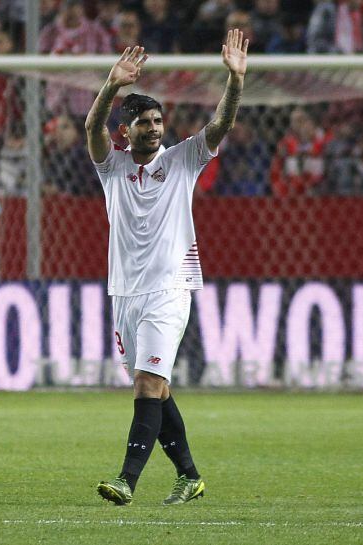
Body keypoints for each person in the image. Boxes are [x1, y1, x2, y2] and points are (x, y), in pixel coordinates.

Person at [86, 33, 247, 505]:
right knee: (156, 389)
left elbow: (222, 122)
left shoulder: (182, 160)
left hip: (171, 288)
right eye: (142, 122)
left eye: (157, 120)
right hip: (125, 293)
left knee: (147, 383)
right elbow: (92, 128)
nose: (154, 127)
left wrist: (235, 80)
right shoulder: (111, 167)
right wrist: (110, 87)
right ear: (125, 131)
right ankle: (190, 476)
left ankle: (126, 480)